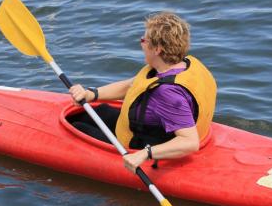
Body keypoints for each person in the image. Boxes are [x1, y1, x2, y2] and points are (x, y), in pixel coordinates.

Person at [68, 12, 216, 174]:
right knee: (97, 110)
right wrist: (92, 94)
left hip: (146, 144)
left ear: (158, 49)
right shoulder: (178, 65)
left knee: (77, 128)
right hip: (143, 126)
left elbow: (190, 142)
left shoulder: (168, 93)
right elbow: (133, 85)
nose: (141, 44)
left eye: (144, 40)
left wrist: (144, 154)